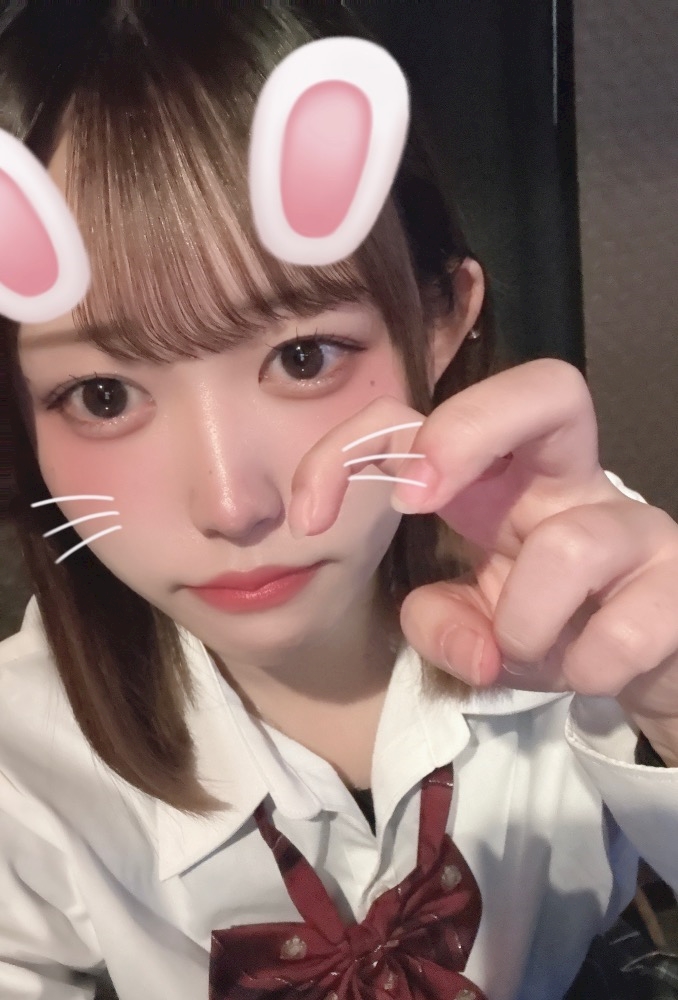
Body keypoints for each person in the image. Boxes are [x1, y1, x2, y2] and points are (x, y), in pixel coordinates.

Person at [0, 3, 677, 999]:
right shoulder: (22, 751)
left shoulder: (589, 586)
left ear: (440, 321)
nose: (232, 504)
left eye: (304, 356)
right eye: (102, 396)